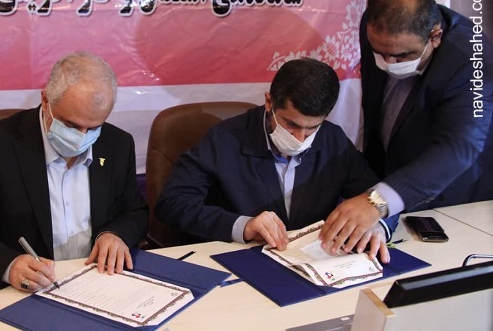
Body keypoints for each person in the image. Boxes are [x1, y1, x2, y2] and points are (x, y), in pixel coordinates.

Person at [0, 51, 148, 292]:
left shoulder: (117, 144)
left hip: (98, 281)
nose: (81, 138)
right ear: (45, 101)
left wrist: (116, 234)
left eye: (94, 128)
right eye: (71, 125)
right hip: (24, 290)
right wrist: (8, 265)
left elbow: (135, 211)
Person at [155, 58, 396, 263]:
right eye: (291, 124)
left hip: (313, 261)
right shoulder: (224, 139)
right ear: (269, 102)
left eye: (312, 128)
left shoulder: (333, 140)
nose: (300, 138)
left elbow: (379, 194)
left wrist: (378, 221)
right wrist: (243, 226)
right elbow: (173, 203)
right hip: (243, 260)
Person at [319, 0, 493, 253]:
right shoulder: (377, 28)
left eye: (402, 56)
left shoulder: (471, 60)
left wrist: (379, 200)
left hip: (448, 195)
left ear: (435, 37)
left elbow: (459, 148)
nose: (389, 62)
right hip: (388, 181)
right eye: (381, 52)